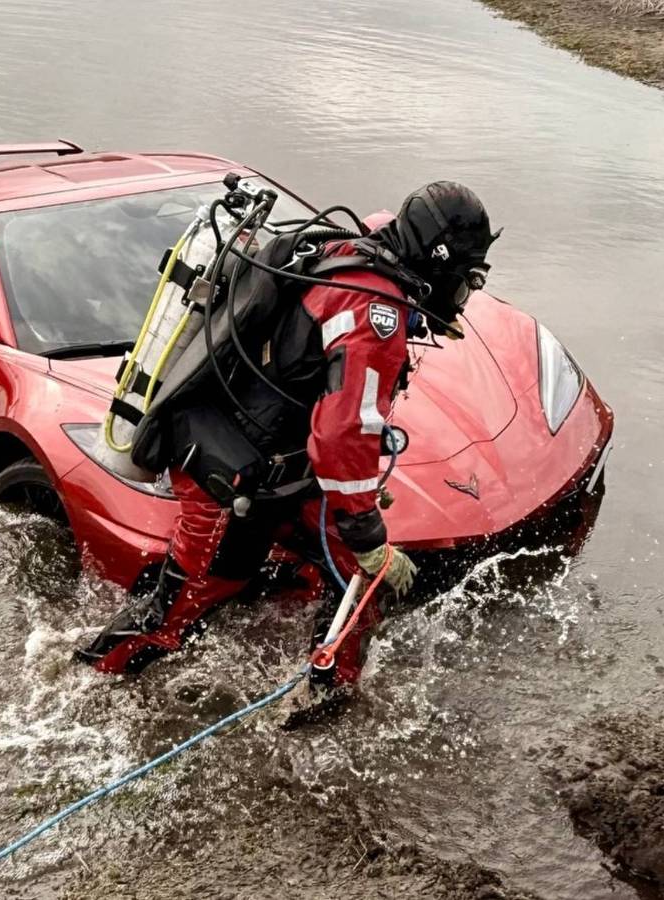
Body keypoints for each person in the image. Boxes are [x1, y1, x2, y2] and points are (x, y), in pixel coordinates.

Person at [75, 181, 499, 717]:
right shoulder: (374, 309)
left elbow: (337, 418)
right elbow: (342, 432)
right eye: (467, 278)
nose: (465, 293)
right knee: (183, 604)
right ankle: (85, 686)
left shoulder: (355, 251)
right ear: (439, 260)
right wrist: (366, 529)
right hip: (229, 475)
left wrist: (360, 511)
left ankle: (323, 699)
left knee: (361, 578)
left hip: (282, 463)